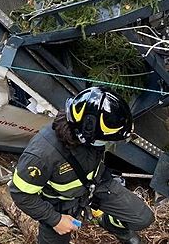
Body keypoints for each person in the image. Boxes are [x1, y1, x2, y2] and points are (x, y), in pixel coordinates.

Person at [9, 87, 154, 244]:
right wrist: (55, 220)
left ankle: (109, 223)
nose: (106, 144)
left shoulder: (88, 128)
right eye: (105, 140)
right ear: (86, 135)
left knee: (143, 218)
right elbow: (20, 194)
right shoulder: (41, 155)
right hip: (60, 203)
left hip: (97, 185)